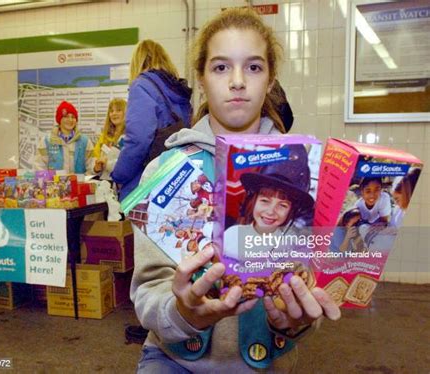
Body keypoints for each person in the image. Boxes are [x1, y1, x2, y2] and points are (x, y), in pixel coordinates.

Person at [131, 8, 340, 373]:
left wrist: (291, 322)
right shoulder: (164, 172)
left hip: (264, 361)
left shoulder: (306, 172)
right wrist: (184, 313)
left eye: (254, 67)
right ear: (201, 77)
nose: (238, 81)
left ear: (271, 80)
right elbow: (148, 292)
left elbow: (310, 289)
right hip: (173, 359)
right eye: (221, 67)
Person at [111, 40, 193, 200]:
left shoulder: (141, 86)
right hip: (175, 178)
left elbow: (138, 140)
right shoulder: (177, 90)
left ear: (138, 61)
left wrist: (118, 175)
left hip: (145, 182)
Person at [223, 144, 315, 260]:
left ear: (292, 211)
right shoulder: (231, 236)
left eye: (282, 205)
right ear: (253, 200)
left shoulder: (289, 248)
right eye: (265, 201)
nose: (271, 211)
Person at [34, 100, 96, 174]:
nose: (70, 120)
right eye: (66, 116)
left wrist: (94, 170)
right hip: (54, 185)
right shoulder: (46, 141)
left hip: (78, 185)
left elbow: (91, 167)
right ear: (59, 119)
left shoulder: (85, 141)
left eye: (73, 117)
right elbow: (39, 167)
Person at [92, 98, 127, 180]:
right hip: (104, 183)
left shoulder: (130, 136)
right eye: (111, 111)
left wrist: (107, 164)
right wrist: (96, 168)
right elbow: (94, 159)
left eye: (118, 110)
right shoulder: (104, 136)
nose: (114, 114)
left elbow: (127, 163)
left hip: (121, 184)